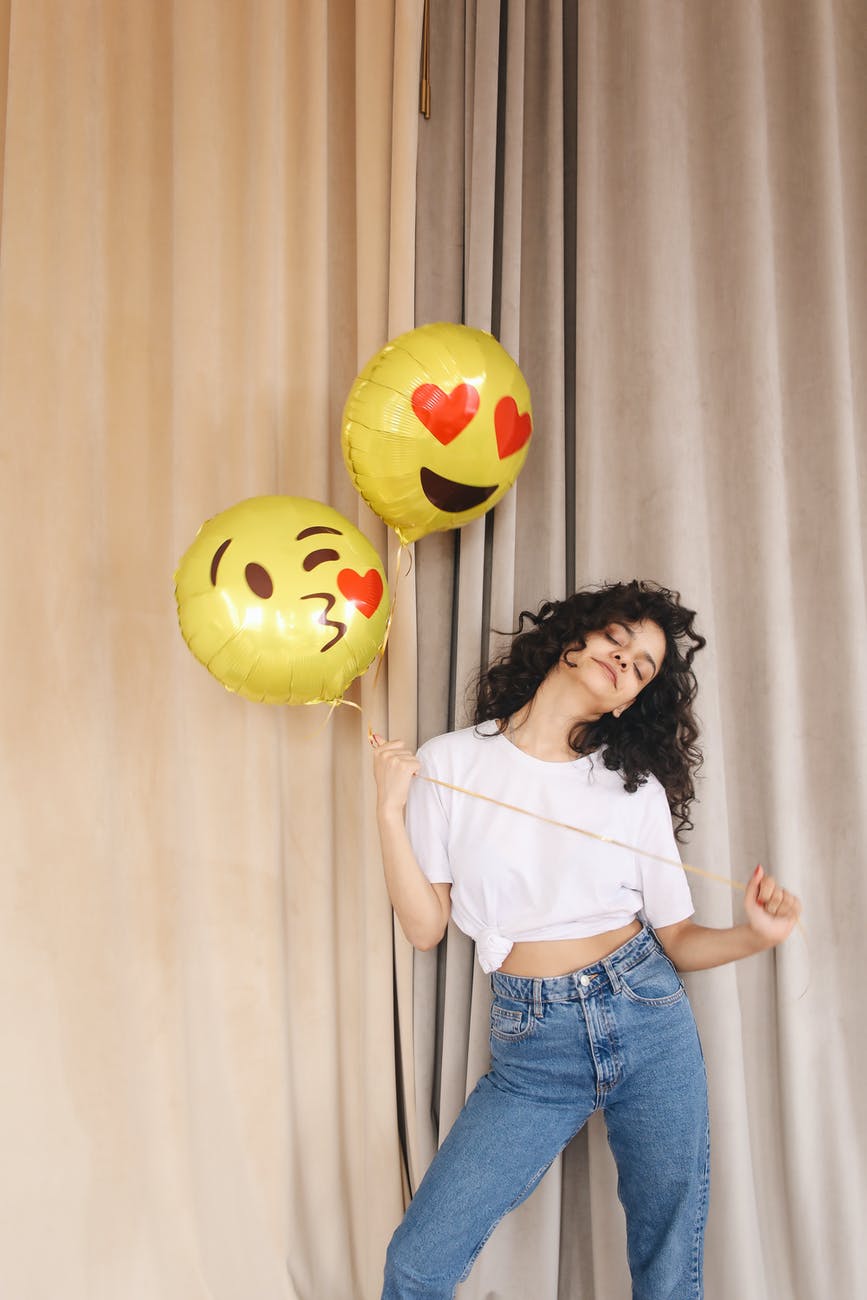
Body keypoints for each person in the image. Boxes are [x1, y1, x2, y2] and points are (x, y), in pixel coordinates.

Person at [372, 581, 801, 1300]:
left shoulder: (633, 788)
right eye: (617, 640)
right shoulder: (449, 762)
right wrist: (390, 812)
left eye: (641, 667)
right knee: (417, 1263)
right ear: (573, 638)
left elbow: (679, 937)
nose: (624, 662)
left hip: (648, 1014)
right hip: (534, 1040)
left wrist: (753, 937)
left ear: (629, 702)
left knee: (668, 1268)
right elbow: (424, 928)